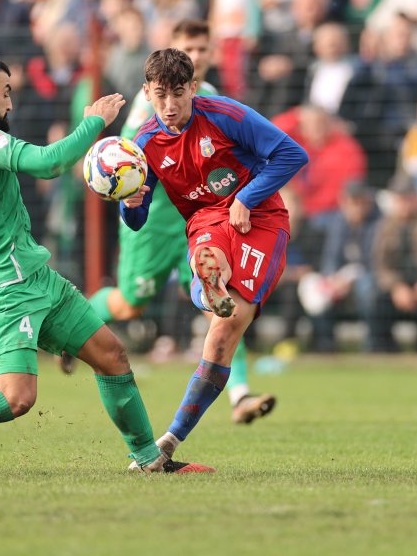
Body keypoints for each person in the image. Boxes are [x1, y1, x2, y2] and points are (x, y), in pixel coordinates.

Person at [0, 51, 210, 476]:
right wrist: (95, 122)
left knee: (112, 355)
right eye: (6, 93)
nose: (10, 104)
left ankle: (149, 460)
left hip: (36, 276)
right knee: (16, 398)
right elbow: (51, 164)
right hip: (3, 287)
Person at [120, 48, 308, 464]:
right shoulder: (145, 143)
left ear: (192, 88)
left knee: (228, 329)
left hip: (261, 217)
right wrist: (130, 202)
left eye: (177, 94)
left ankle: (170, 439)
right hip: (206, 218)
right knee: (208, 255)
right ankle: (207, 287)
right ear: (146, 93)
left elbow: (293, 154)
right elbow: (135, 220)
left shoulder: (226, 115)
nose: (169, 106)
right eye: (159, 96)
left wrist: (247, 195)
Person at [89, 20, 279, 425]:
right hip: (157, 218)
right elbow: (130, 164)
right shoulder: (154, 108)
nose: (196, 56)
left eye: (203, 49)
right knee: (129, 304)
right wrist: (130, 198)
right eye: (187, 48)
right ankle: (78, 323)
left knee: (222, 298)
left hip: (202, 216)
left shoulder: (209, 98)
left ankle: (239, 394)